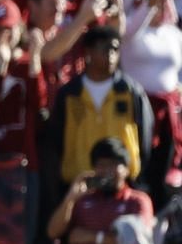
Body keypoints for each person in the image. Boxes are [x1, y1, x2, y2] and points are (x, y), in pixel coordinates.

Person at [43, 24, 155, 185]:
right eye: (104, 48)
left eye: (115, 50)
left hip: (121, 182)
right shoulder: (70, 93)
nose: (110, 55)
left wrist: (133, 171)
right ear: (88, 52)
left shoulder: (130, 91)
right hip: (79, 181)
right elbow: (56, 140)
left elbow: (145, 136)